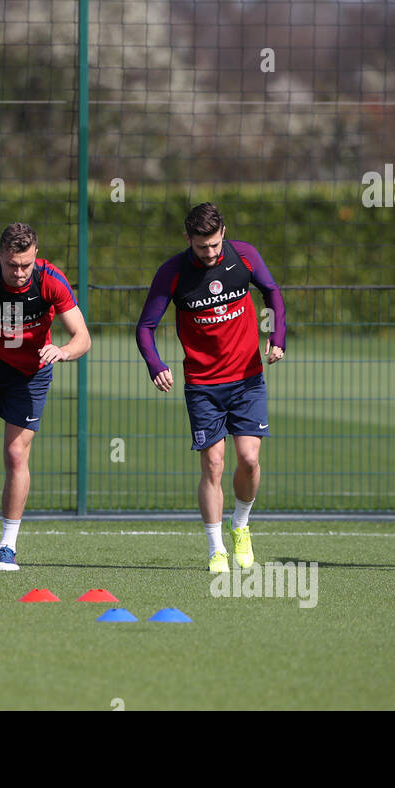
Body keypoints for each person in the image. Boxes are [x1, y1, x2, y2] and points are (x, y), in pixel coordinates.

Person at [135, 202, 285, 573]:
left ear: (223, 235)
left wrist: (277, 335)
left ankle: (241, 525)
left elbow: (272, 292)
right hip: (203, 385)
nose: (211, 253)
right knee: (213, 464)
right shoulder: (172, 272)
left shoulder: (244, 255)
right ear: (188, 239)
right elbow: (145, 327)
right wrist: (156, 364)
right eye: (203, 247)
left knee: (249, 460)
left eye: (216, 245)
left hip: (248, 379)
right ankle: (216, 548)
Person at [0, 222, 90, 571]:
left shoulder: (51, 280)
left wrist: (63, 352)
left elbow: (82, 336)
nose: (20, 272)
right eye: (12, 265)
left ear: (35, 256)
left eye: (26, 264)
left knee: (15, 453)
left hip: (32, 374)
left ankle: (7, 545)